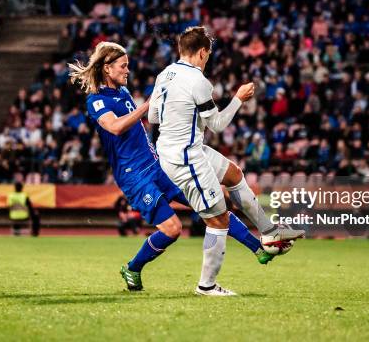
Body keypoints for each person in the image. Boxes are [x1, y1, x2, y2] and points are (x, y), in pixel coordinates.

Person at [69, 41, 277, 294]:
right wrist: (146, 105)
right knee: (173, 229)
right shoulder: (97, 100)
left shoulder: (122, 94)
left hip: (158, 166)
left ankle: (258, 249)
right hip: (134, 177)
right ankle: (133, 267)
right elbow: (114, 127)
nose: (127, 71)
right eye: (123, 66)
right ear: (107, 68)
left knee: (212, 206)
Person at [149, 26, 304, 296]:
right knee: (219, 220)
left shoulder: (164, 74)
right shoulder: (198, 81)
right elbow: (218, 124)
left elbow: (152, 117)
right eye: (207, 54)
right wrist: (238, 99)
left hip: (176, 149)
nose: (208, 58)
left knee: (233, 174)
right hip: (186, 158)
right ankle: (206, 286)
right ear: (201, 53)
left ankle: (269, 231)